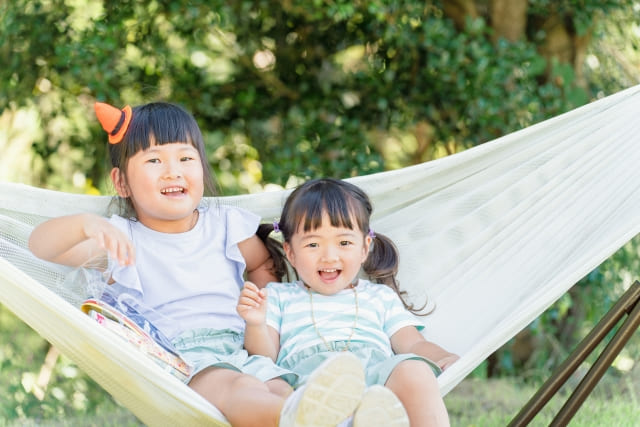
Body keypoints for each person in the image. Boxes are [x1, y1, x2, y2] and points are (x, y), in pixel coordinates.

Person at [28, 102, 362, 427]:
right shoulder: (120, 238)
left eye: (186, 158)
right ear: (121, 182)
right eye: (154, 160)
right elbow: (40, 247)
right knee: (241, 389)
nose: (173, 171)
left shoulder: (224, 225)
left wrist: (262, 313)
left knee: (277, 387)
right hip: (183, 362)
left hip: (244, 348)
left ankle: (329, 419)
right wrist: (85, 225)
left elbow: (262, 265)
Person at [237, 178, 460, 427]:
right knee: (283, 392)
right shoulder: (279, 296)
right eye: (313, 244)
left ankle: (373, 415)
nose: (329, 256)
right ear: (291, 252)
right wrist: (255, 324)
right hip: (311, 382)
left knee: (415, 372)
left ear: (364, 248)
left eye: (344, 243)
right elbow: (266, 355)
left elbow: (412, 343)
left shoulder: (379, 297)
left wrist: (442, 356)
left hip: (377, 376)